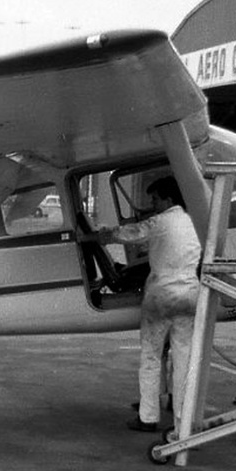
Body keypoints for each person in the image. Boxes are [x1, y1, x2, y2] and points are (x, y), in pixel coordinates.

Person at [87, 177, 201, 433]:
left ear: (169, 200)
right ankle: (184, 421)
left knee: (151, 356)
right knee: (183, 357)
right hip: (190, 294)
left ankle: (148, 417)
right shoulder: (195, 221)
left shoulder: (160, 222)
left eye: (156, 199)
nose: (153, 204)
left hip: (161, 295)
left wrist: (104, 234)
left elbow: (130, 233)